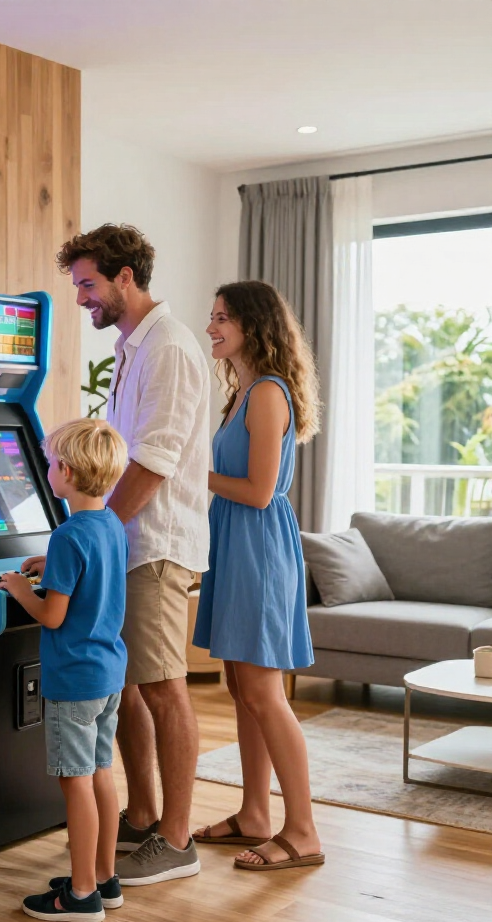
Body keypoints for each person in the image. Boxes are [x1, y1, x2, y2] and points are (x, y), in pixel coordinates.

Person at [56, 224, 210, 886]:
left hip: (152, 543)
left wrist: (96, 535)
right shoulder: (133, 347)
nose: (83, 298)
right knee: (128, 684)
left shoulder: (168, 348)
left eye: (89, 284)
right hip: (127, 541)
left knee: (163, 685)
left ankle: (177, 840)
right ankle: (144, 815)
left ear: (125, 278)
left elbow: (151, 463)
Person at [192, 281, 324, 871]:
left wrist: (193, 474)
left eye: (223, 318)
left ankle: (303, 832)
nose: (212, 326)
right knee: (242, 691)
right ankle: (254, 814)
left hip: (260, 550)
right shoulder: (243, 391)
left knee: (265, 694)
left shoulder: (268, 393)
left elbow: (259, 490)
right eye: (212, 316)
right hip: (236, 545)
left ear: (253, 325)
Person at [0, 418, 129, 922]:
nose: (47, 471)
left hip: (73, 679)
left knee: (74, 782)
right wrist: (46, 563)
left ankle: (79, 895)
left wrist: (18, 587)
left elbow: (52, 614)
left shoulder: (68, 535)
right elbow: (88, 574)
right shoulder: (109, 524)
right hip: (107, 671)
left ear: (67, 472)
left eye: (51, 464)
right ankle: (102, 877)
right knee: (99, 772)